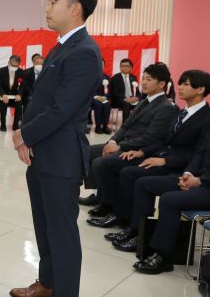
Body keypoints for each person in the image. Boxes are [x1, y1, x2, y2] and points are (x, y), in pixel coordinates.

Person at [9, 0, 102, 297]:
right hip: (43, 153)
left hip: (61, 158)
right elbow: (39, 100)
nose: (47, 7)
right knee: (45, 229)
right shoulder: (63, 46)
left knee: (62, 234)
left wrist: (24, 134)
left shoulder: (85, 52)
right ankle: (47, 283)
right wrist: (29, 137)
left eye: (53, 2)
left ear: (75, 8)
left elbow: (63, 108)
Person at [103, 70, 210, 252]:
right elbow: (163, 141)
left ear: (200, 89)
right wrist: (141, 151)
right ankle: (132, 227)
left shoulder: (206, 118)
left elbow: (197, 152)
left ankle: (140, 233)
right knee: (129, 172)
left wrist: (165, 162)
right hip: (167, 158)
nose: (180, 87)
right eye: (180, 83)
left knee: (141, 180)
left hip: (182, 166)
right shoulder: (182, 113)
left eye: (186, 84)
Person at [85, 64, 178, 228]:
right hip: (125, 144)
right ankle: (102, 198)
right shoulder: (144, 102)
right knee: (89, 152)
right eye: (143, 78)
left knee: (102, 163)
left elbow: (151, 137)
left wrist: (121, 146)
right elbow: (125, 126)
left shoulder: (165, 107)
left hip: (140, 150)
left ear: (162, 84)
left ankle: (113, 208)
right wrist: (112, 141)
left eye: (149, 79)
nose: (143, 82)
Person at [127, 134, 210, 274]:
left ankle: (163, 256)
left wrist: (200, 181)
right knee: (146, 184)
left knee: (169, 200)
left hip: (206, 185)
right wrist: (188, 175)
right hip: (201, 181)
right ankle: (142, 239)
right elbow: (200, 154)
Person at [0, 55, 24, 131]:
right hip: (4, 95)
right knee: (3, 103)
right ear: (8, 63)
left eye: (16, 66)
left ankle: (15, 124)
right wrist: (3, 95)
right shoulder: (1, 71)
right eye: (12, 65)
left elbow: (22, 86)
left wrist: (19, 95)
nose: (14, 67)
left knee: (19, 102)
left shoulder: (21, 72)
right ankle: (3, 124)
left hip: (15, 95)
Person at [91, 60, 112, 135]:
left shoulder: (107, 77)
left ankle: (105, 126)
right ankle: (98, 127)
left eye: (102, 64)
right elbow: (89, 90)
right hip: (93, 98)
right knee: (98, 104)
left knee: (107, 104)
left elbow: (109, 90)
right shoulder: (90, 76)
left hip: (103, 98)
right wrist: (96, 97)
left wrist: (106, 97)